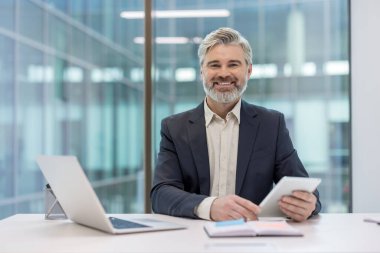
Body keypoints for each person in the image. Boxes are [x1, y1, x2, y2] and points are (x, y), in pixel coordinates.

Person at [150, 27, 321, 222]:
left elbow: (306, 190)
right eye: (214, 65)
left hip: (252, 238)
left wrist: (309, 204)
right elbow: (161, 194)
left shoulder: (271, 125)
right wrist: (211, 207)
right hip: (193, 239)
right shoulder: (174, 128)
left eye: (233, 64)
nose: (224, 74)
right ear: (202, 71)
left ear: (248, 70)